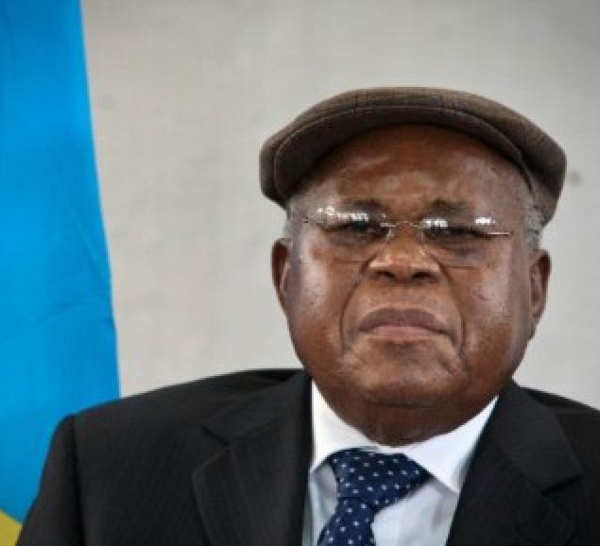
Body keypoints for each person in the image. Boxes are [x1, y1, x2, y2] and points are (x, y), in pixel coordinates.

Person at [18, 88, 600, 546]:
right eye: (356, 227)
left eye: (457, 232)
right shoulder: (107, 468)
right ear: (286, 276)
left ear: (534, 289)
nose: (402, 261)